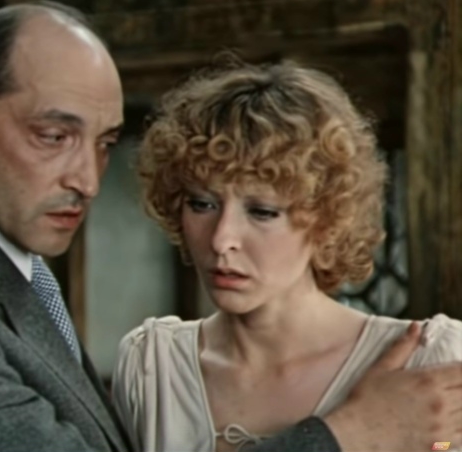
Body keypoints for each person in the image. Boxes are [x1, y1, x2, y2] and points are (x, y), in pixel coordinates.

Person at [0, 0, 459, 452]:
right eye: (53, 136)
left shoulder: (435, 359)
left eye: (103, 143)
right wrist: (349, 435)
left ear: (328, 216)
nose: (88, 180)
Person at [113, 60, 462, 452]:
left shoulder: (429, 362)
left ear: (327, 218)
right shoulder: (152, 368)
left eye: (262, 212)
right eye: (202, 204)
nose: (222, 240)